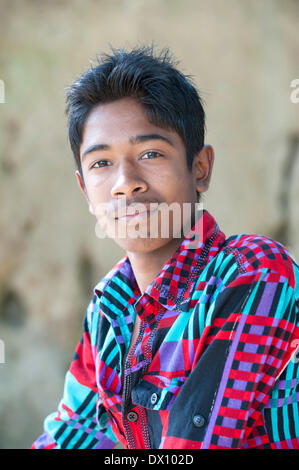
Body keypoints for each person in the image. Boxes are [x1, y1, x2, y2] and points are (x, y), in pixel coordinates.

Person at [32, 45, 299, 449]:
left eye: (150, 153)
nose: (126, 182)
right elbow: (73, 435)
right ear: (85, 189)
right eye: (101, 163)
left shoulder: (256, 275)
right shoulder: (111, 304)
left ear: (200, 168)